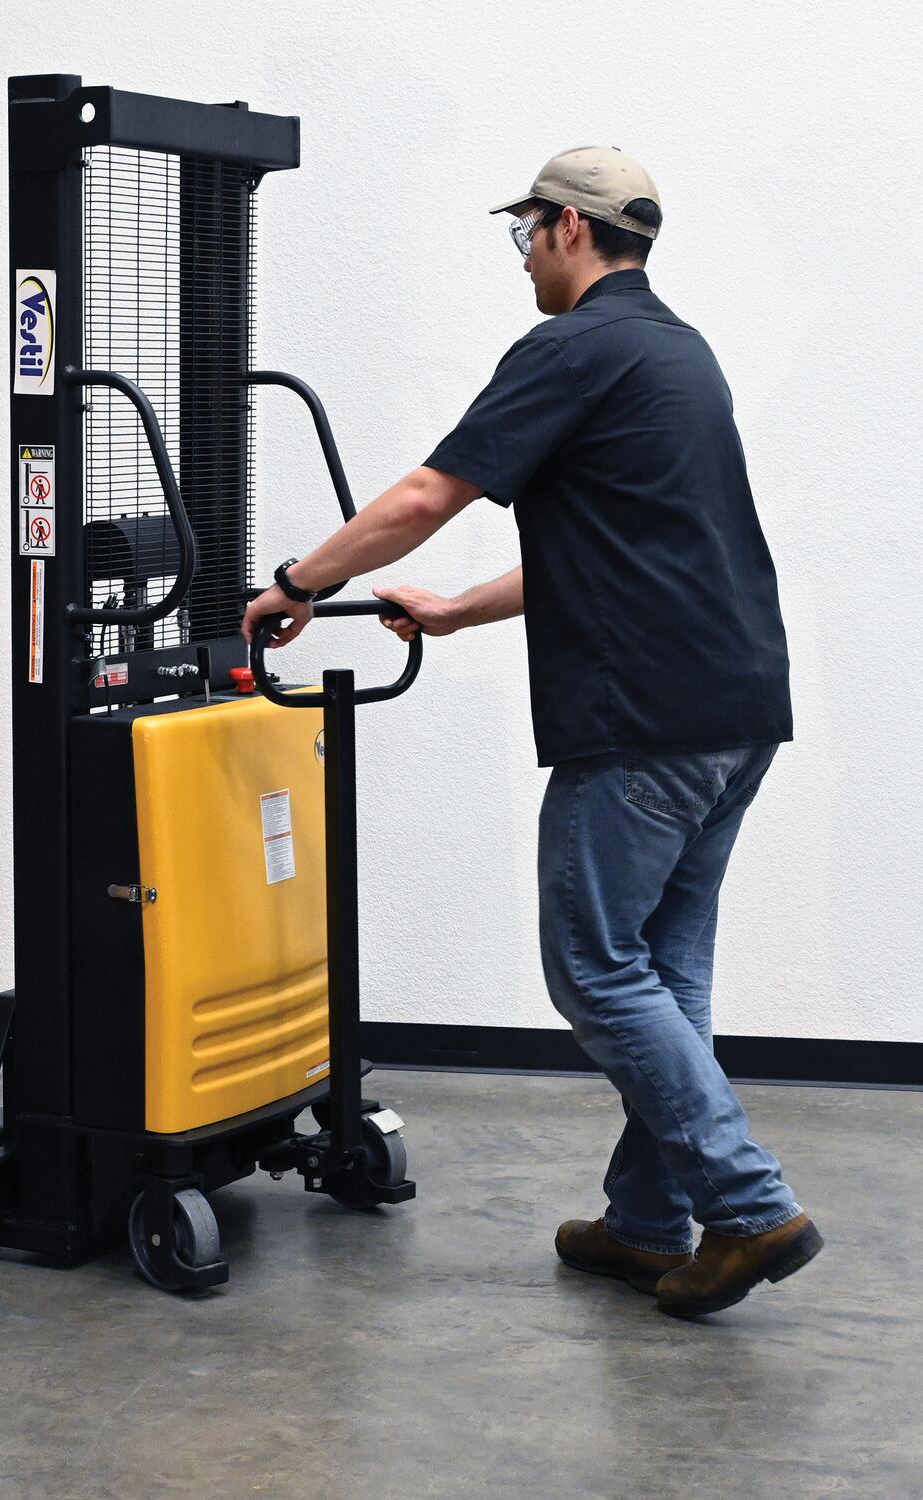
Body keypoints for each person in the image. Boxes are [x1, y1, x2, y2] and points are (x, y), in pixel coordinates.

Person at [240, 145, 823, 1318]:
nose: (522, 262)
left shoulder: (573, 347)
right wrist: (457, 610)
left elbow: (426, 496)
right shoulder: (679, 351)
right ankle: (649, 1226)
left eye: (525, 236)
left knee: (596, 971)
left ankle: (750, 1204)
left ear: (567, 227)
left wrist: (299, 581)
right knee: (666, 976)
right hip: (736, 710)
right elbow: (623, 549)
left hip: (644, 721)